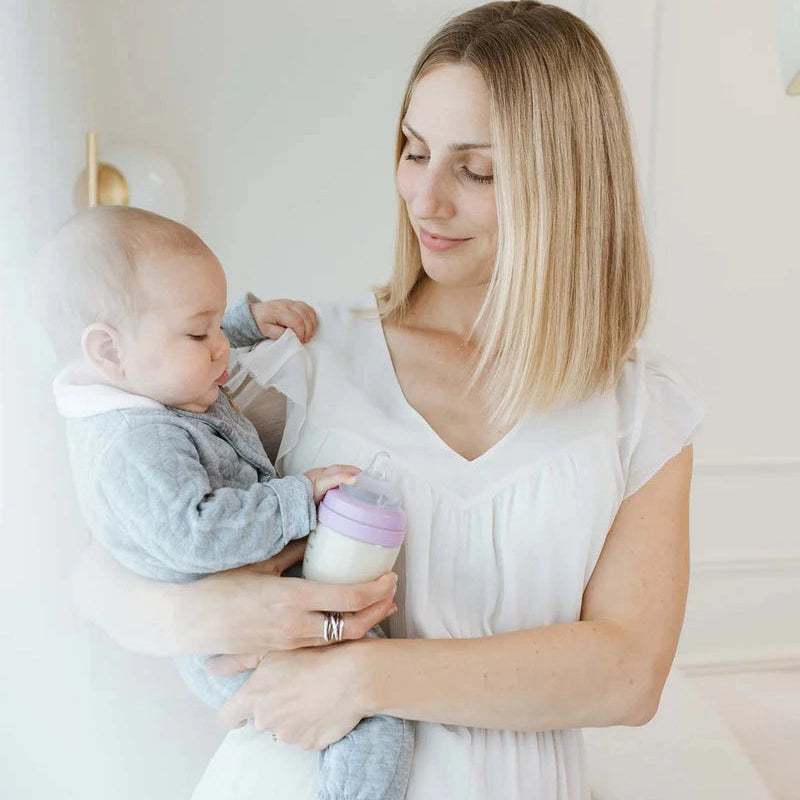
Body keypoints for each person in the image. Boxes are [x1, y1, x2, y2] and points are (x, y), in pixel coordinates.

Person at [73, 2, 705, 798]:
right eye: (414, 151)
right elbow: (105, 553)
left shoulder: (640, 414)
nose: (425, 199)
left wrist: (364, 676)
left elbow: (626, 675)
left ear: (570, 183)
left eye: (476, 170)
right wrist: (190, 621)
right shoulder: (300, 360)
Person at [38, 205, 413, 800]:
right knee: (374, 720)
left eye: (216, 326)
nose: (218, 349)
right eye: (199, 332)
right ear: (108, 350)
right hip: (231, 640)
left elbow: (179, 339)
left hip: (247, 608)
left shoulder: (147, 380)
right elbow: (198, 532)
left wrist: (243, 323)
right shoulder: (136, 443)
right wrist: (299, 498)